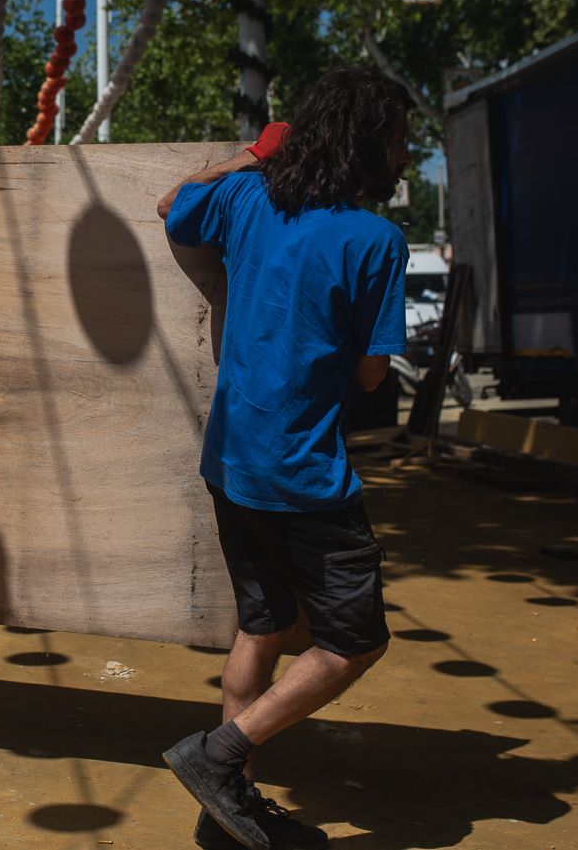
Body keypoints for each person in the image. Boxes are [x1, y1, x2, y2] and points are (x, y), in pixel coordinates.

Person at [157, 67, 412, 850]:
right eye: (400, 137)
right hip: (304, 472)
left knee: (262, 627)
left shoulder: (244, 200)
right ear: (370, 145)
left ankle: (224, 811)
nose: (406, 152)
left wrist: (253, 155)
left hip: (231, 461)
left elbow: (171, 206)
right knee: (354, 640)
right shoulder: (377, 240)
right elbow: (372, 374)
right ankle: (219, 756)